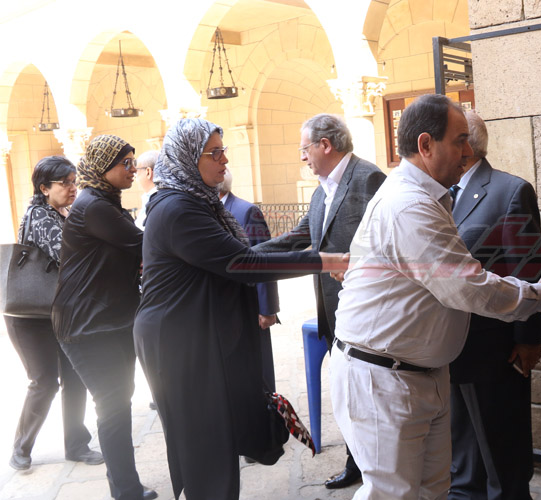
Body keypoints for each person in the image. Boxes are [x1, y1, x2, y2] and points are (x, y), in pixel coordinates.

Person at [330, 93, 541, 500]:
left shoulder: (426, 197)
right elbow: (467, 286)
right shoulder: (408, 205)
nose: (468, 151)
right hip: (385, 379)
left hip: (418, 375)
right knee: (393, 494)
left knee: (434, 490)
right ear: (426, 145)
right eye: (460, 141)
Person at [133, 117, 344, 500]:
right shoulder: (179, 209)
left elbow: (236, 256)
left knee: (218, 435)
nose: (224, 160)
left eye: (223, 150)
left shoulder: (195, 201)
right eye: (214, 153)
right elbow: (242, 264)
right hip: (179, 345)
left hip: (194, 333)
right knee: (206, 446)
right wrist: (323, 261)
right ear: (187, 158)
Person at [254, 112, 386, 489]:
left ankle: (378, 470)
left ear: (325, 145)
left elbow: (384, 242)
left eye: (305, 148)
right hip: (333, 313)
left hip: (367, 313)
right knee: (347, 395)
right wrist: (243, 257)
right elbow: (299, 237)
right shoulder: (320, 190)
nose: (302, 157)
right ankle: (356, 462)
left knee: (370, 398)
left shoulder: (368, 178)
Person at [51, 135, 156, 500]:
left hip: (108, 319)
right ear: (103, 166)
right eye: (125, 163)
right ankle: (126, 491)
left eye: (134, 162)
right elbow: (145, 245)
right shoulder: (94, 205)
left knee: (118, 401)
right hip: (88, 325)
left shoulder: (105, 202)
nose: (133, 169)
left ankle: (125, 486)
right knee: (113, 405)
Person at [449, 110, 541, 500]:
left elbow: (528, 268)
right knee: (462, 458)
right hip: (448, 348)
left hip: (495, 350)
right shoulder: (435, 194)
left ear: (466, 144)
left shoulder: (510, 191)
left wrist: (529, 339)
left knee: (503, 459)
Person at [5, 156, 103, 471]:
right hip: (28, 315)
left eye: (75, 182)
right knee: (44, 380)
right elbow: (68, 257)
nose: (73, 188)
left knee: (75, 376)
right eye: (65, 183)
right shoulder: (39, 215)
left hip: (58, 310)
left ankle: (76, 444)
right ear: (44, 188)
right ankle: (21, 448)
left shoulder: (65, 213)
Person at [218, 168, 280, 392]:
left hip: (251, 307)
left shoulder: (247, 211)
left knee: (259, 369)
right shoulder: (205, 213)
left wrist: (267, 308)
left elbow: (263, 259)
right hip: (224, 309)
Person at [134, 150, 158, 230]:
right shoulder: (149, 197)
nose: (134, 176)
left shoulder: (156, 200)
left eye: (136, 171)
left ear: (148, 172)